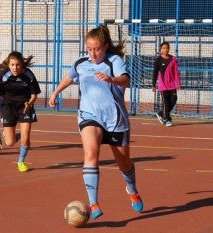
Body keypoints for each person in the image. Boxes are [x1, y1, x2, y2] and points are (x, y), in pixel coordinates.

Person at [48, 25, 143, 220]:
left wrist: (111, 79)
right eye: (89, 49)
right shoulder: (81, 63)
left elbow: (126, 80)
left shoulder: (114, 61)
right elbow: (69, 77)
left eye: (97, 49)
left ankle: (132, 189)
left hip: (115, 119)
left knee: (123, 163)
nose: (93, 53)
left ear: (105, 46)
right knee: (91, 153)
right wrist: (56, 92)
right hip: (89, 115)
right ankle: (93, 203)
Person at [0, 51, 41, 172]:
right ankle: (14, 135)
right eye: (12, 65)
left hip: (24, 106)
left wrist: (30, 103)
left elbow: (34, 94)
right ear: (8, 64)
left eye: (17, 65)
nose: (15, 68)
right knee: (9, 142)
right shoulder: (2, 74)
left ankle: (21, 161)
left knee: (26, 138)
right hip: (7, 106)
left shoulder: (28, 75)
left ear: (21, 64)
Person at [152, 41, 181, 127]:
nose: (166, 49)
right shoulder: (158, 60)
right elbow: (155, 72)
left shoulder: (173, 59)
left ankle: (161, 113)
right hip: (163, 85)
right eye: (164, 48)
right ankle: (168, 119)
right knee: (166, 102)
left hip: (172, 84)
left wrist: (178, 83)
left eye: (167, 48)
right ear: (161, 49)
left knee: (174, 100)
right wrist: (153, 84)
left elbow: (176, 72)